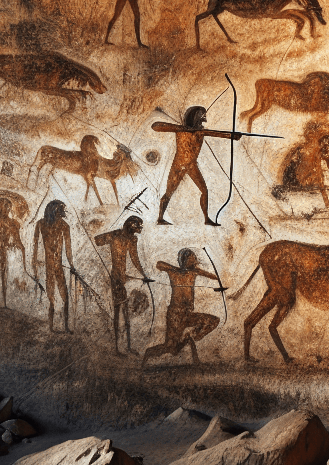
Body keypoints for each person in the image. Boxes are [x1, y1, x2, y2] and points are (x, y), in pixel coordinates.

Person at [152, 106, 242, 226]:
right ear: (194, 117)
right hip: (179, 165)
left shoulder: (201, 132)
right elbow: (155, 126)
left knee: (204, 190)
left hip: (191, 166)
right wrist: (182, 128)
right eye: (201, 116)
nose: (203, 118)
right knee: (169, 192)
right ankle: (160, 218)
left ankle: (206, 219)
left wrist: (232, 136)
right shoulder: (181, 130)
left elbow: (219, 134)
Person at [141, 249, 221, 367]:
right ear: (184, 260)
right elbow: (159, 264)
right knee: (171, 348)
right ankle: (148, 354)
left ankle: (192, 336)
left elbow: (213, 276)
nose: (194, 260)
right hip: (175, 315)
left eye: (194, 258)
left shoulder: (194, 272)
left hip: (187, 314)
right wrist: (177, 269)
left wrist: (218, 280)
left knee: (213, 321)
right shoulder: (174, 272)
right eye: (191, 258)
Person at [95, 215, 152, 355]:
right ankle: (117, 348)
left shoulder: (132, 239)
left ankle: (127, 347)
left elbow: (134, 258)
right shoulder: (116, 235)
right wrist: (110, 234)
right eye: (138, 225)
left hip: (123, 278)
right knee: (118, 313)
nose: (140, 228)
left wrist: (144, 275)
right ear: (131, 225)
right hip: (116, 279)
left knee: (126, 315)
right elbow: (97, 241)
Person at [277, 122, 329, 208]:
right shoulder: (307, 150)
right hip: (293, 181)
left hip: (296, 179)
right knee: (317, 178)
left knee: (319, 179)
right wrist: (327, 204)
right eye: (325, 145)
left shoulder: (321, 154)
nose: (327, 148)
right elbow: (321, 182)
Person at [33, 199, 74, 332]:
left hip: (58, 266)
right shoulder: (41, 224)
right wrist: (35, 264)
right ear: (54, 210)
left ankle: (66, 326)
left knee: (65, 297)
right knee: (51, 298)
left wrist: (72, 265)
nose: (62, 212)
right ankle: (51, 327)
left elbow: (68, 249)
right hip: (48, 266)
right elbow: (36, 246)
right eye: (60, 209)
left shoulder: (64, 226)